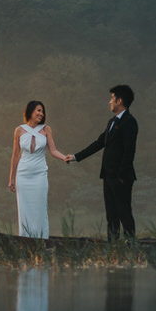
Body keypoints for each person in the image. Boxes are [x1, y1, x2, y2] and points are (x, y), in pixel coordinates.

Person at [65, 85, 138, 242]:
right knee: (111, 214)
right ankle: (113, 246)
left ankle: (132, 246)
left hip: (121, 177)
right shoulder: (112, 121)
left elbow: (129, 152)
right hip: (108, 176)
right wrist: (76, 156)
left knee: (124, 212)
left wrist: (121, 176)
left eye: (112, 98)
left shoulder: (129, 122)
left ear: (120, 100)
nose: (110, 102)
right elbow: (99, 143)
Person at [9, 100, 69, 238]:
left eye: (42, 111)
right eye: (38, 110)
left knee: (40, 209)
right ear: (30, 111)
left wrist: (64, 157)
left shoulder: (46, 129)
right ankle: (26, 239)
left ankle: (42, 239)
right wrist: (11, 178)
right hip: (23, 175)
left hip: (39, 175)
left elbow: (53, 150)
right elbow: (16, 155)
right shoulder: (19, 130)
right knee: (24, 210)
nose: (41, 114)